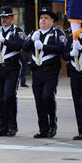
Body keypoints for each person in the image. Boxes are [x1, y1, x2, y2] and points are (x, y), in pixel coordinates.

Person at [23, 7, 65, 139]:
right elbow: (24, 48)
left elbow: (60, 48)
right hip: (37, 72)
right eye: (41, 18)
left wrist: (44, 47)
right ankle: (43, 128)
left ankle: (52, 124)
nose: (43, 20)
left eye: (46, 18)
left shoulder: (57, 33)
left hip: (50, 71)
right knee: (39, 100)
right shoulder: (35, 34)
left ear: (52, 20)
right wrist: (30, 40)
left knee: (47, 97)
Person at [0, 6, 25, 137]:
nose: (4, 20)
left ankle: (12, 126)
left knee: (9, 96)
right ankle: (3, 126)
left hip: (11, 68)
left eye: (7, 17)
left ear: (12, 18)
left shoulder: (17, 31)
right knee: (0, 99)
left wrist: (3, 40)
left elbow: (19, 46)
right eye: (2, 18)